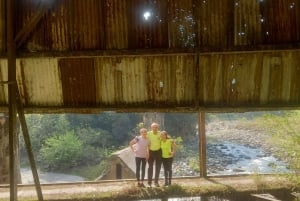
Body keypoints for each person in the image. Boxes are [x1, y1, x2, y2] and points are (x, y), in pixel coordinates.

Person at [147, 122, 162, 187]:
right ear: (151, 128)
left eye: (156, 127)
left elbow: (166, 138)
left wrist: (171, 140)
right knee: (150, 167)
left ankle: (156, 182)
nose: (155, 128)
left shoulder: (160, 133)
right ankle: (149, 182)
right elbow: (143, 136)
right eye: (153, 127)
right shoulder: (148, 133)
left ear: (158, 128)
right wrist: (136, 138)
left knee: (158, 167)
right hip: (151, 152)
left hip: (158, 151)